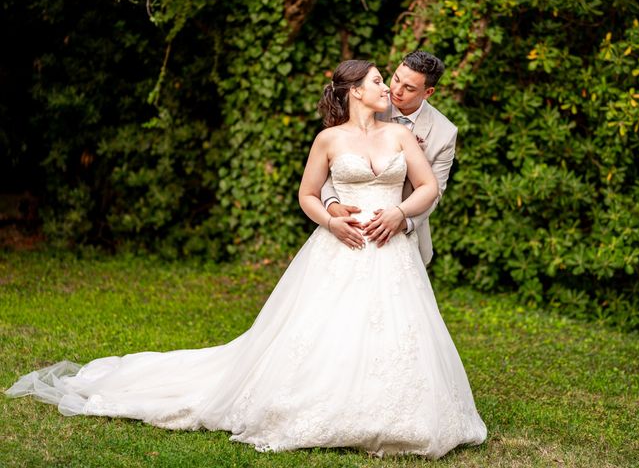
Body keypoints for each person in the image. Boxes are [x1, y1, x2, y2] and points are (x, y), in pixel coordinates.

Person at [5, 60, 486, 459]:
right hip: (340, 245)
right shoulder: (329, 140)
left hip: (391, 250)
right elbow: (308, 194)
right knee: (322, 331)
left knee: (399, 333)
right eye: (380, 80)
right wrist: (331, 219)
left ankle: (401, 412)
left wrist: (399, 212)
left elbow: (428, 188)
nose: (388, 87)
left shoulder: (404, 138)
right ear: (356, 93)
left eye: (393, 81)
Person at [321, 51, 456, 265]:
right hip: (350, 226)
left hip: (402, 233)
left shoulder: (444, 132)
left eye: (409, 88)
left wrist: (402, 221)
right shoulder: (370, 102)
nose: (396, 91)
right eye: (396, 79)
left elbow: (434, 191)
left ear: (428, 92)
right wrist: (331, 203)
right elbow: (335, 163)